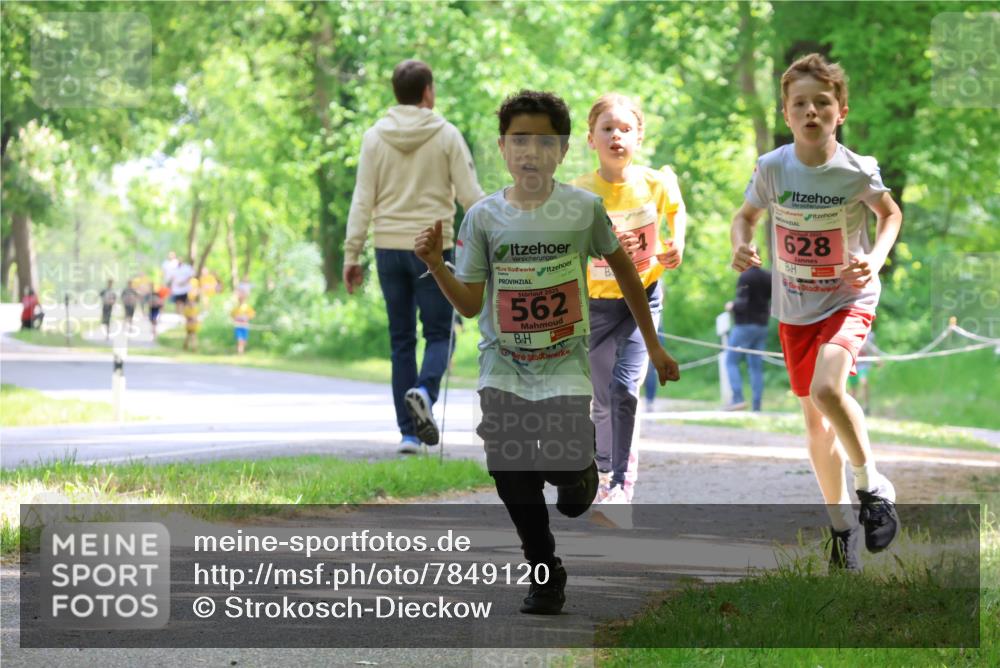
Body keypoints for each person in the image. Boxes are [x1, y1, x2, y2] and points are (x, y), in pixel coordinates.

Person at [414, 90, 679, 615]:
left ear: (561, 151)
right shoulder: (484, 218)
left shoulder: (582, 209)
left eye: (542, 141)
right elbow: (470, 305)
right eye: (518, 141)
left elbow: (627, 273)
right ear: (502, 148)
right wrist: (436, 264)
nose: (529, 151)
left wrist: (653, 343)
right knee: (511, 471)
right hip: (503, 366)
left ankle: (580, 468)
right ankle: (544, 570)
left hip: (563, 368)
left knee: (569, 489)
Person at [731, 53, 903, 572]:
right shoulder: (772, 167)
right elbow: (745, 217)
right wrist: (741, 245)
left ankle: (873, 488)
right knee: (816, 425)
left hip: (848, 297)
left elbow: (890, 215)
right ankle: (841, 528)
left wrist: (873, 259)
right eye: (799, 104)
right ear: (786, 114)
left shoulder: (856, 171)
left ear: (840, 111)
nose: (811, 112)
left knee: (830, 390)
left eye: (821, 103)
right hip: (795, 307)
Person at [343, 59, 485, 454]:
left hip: (387, 248)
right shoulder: (446, 135)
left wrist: (351, 255)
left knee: (400, 339)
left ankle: (408, 434)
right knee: (440, 333)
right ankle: (424, 390)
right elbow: (470, 196)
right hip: (433, 250)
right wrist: (502, 228)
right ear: (428, 91)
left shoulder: (374, 137)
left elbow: (362, 200)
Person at [572, 93, 688, 510]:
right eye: (607, 129)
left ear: (639, 137)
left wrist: (678, 246)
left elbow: (677, 212)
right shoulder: (579, 192)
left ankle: (621, 484)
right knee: (600, 398)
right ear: (591, 139)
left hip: (643, 300)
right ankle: (603, 474)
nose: (616, 136)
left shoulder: (655, 182)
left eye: (625, 129)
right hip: (596, 305)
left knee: (625, 388)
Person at [724, 266, 772, 411]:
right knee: (756, 366)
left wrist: (731, 306)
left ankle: (737, 398)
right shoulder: (768, 276)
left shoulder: (745, 277)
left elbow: (743, 302)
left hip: (745, 325)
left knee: (730, 361)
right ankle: (757, 405)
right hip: (762, 325)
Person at [847, 331, 882, 413]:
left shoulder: (870, 335)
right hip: (853, 364)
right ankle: (851, 408)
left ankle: (866, 406)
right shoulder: (849, 330)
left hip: (864, 364)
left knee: (864, 383)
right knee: (853, 387)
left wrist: (878, 358)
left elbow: (873, 347)